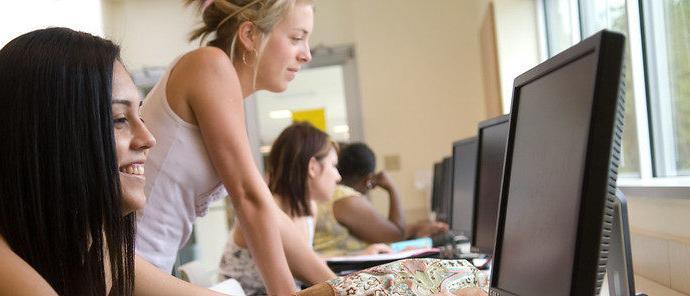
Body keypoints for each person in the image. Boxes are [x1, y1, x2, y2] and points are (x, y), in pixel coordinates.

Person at [0, 27, 230, 296]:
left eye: (140, 117)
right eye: (119, 119)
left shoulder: (95, 248)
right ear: (50, 134)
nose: (148, 138)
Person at [135, 0, 333, 293]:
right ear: (250, 35)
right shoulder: (209, 65)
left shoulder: (220, 82)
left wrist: (337, 283)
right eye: (296, 38)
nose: (306, 54)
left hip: (148, 267)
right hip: (127, 267)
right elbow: (248, 197)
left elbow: (264, 206)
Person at [218, 122, 338, 295]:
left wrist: (361, 255)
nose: (338, 176)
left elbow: (307, 265)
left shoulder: (309, 209)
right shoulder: (268, 213)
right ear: (312, 167)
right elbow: (327, 281)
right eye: (333, 165)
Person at [314, 143, 448, 256]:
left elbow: (384, 230)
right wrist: (392, 188)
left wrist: (417, 228)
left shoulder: (338, 196)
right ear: (368, 179)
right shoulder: (346, 198)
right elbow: (396, 235)